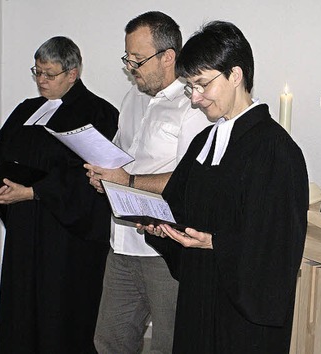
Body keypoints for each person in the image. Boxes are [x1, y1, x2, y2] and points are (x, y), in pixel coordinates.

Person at [143, 21, 309, 353]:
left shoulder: (276, 150)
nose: (195, 99)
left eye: (202, 84)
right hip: (199, 296)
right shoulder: (206, 140)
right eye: (190, 87)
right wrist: (161, 225)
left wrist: (218, 243)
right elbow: (179, 204)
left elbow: (277, 245)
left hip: (242, 319)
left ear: (235, 75)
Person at [84, 12, 210, 354]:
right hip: (122, 241)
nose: (131, 67)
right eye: (128, 59)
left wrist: (128, 180)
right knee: (110, 341)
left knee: (169, 344)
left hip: (165, 248)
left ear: (168, 57)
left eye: (138, 60)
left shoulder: (194, 106)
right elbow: (122, 156)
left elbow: (192, 182)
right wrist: (104, 175)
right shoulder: (132, 98)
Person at [0, 36, 118, 353]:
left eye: (49, 74)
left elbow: (91, 175)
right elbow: (2, 156)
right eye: (37, 72)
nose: (41, 80)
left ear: (72, 73)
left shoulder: (99, 113)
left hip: (67, 237)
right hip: (24, 230)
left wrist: (35, 192)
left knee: (60, 311)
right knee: (22, 306)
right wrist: (1, 185)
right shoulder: (26, 110)